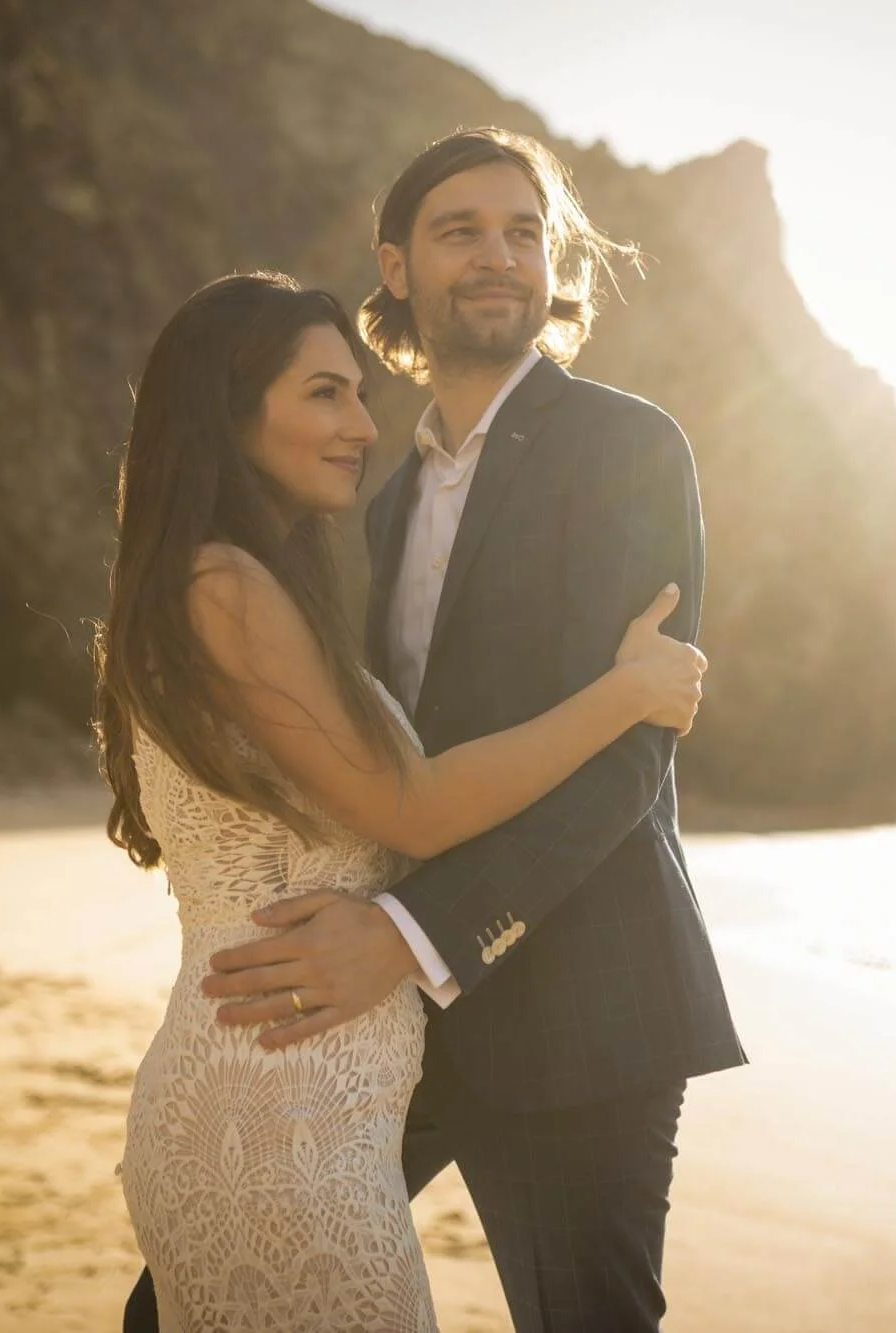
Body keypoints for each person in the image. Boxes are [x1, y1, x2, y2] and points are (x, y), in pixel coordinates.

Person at [134, 127, 747, 1332]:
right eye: (460, 230)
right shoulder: (385, 495)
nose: (498, 256)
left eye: (526, 232)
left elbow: (626, 763)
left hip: (577, 1004)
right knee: (188, 1299)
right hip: (389, 1013)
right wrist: (395, 951)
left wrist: (412, 936)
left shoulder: (625, 445)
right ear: (395, 265)